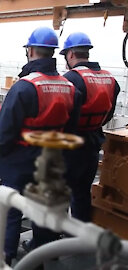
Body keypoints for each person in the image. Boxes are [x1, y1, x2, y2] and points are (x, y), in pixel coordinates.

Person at [0, 27, 81, 265]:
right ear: (53, 53)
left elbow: (4, 131)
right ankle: (44, 255)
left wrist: (4, 156)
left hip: (20, 159)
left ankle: (6, 258)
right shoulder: (71, 87)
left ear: (30, 51)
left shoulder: (24, 86)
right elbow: (71, 129)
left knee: (11, 209)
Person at [60, 32, 120, 222]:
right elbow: (109, 114)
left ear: (70, 55)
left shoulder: (71, 79)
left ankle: (51, 242)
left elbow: (62, 116)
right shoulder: (110, 79)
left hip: (70, 148)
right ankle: (79, 240)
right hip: (93, 144)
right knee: (82, 194)